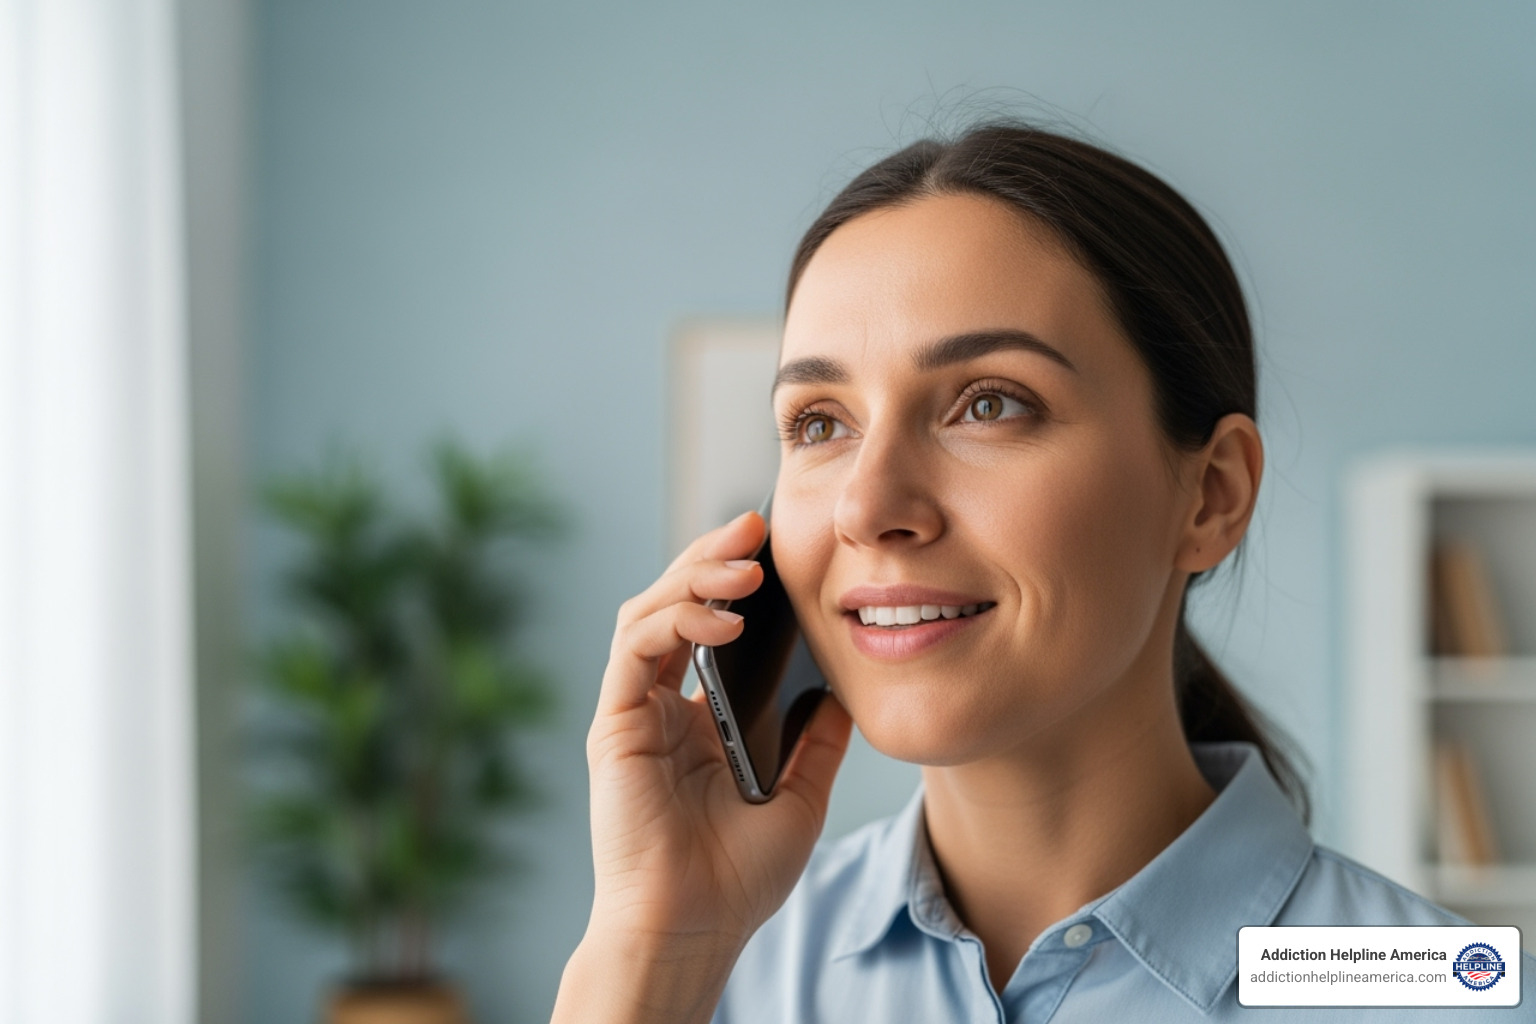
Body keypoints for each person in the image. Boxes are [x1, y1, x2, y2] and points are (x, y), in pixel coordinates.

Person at [551, 122, 1535, 1022]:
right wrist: (650, 951)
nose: (865, 504)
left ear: (1211, 496)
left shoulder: (1443, 992)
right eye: (820, 422)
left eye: (990, 405)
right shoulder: (713, 973)